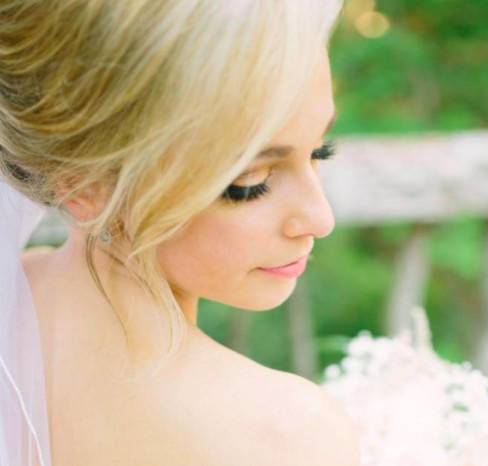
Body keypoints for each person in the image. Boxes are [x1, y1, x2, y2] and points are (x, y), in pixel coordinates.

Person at [0, 1, 362, 465]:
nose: (319, 218)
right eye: (249, 184)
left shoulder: (18, 292)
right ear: (86, 186)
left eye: (320, 151)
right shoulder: (287, 434)